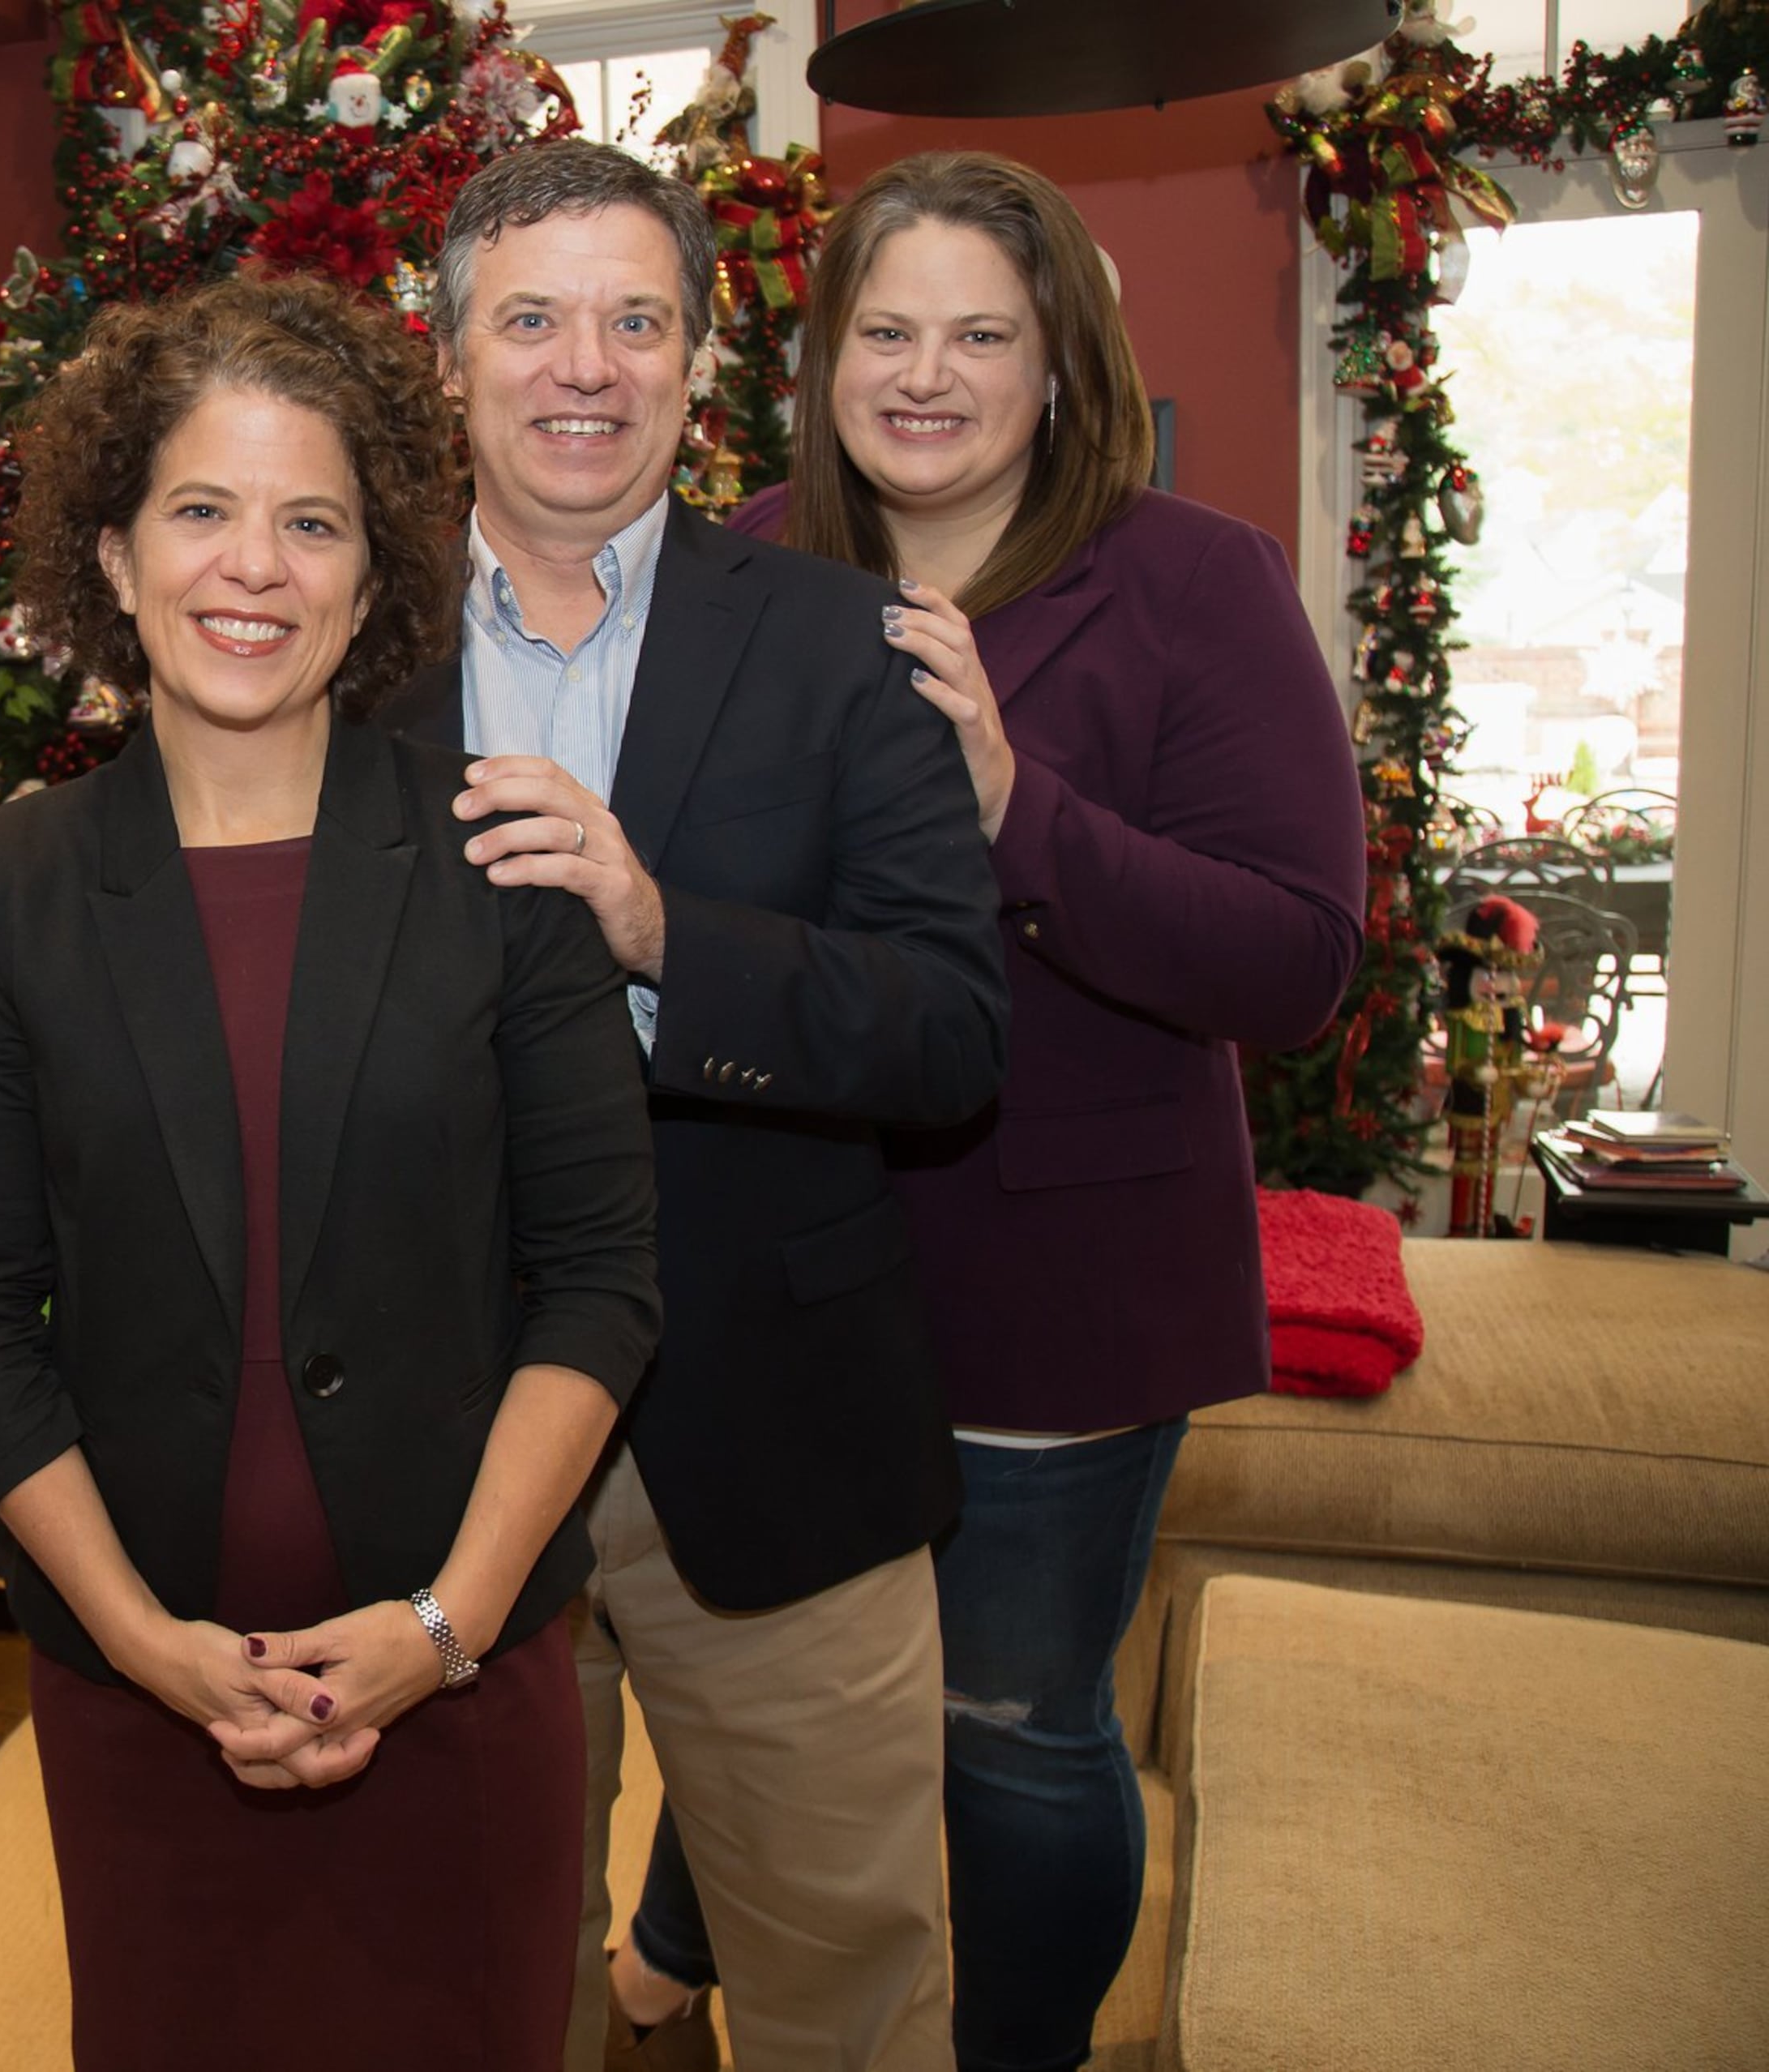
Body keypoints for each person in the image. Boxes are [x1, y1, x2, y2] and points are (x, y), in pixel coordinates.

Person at [617, 151, 1366, 2072]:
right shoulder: (753, 566)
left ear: (1061, 366)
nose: (927, 375)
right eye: (887, 329)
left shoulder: (1194, 585)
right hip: (786, 1255)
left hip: (1061, 1280)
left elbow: (1293, 962)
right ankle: (687, 1933)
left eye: (982, 335)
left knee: (1008, 1725)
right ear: (822, 356)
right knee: (780, 1661)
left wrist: (1014, 802)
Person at [0, 271, 662, 2070]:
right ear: (113, 552)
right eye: (202, 510)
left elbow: (601, 1284)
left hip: (459, 1693)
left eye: (308, 521)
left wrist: (445, 1624)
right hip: (138, 1701)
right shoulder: (16, 884)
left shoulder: (500, 853)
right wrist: (142, 1641)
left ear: (372, 567)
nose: (253, 568)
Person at [396, 139, 1010, 2072]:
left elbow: (948, 1034)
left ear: (697, 363)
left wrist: (664, 927)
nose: (588, 365)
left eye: (637, 319)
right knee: (486, 1987)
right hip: (434, 1434)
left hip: (781, 1438)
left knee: (853, 1984)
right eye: (534, 318)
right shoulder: (332, 644)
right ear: (448, 363)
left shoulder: (851, 643)